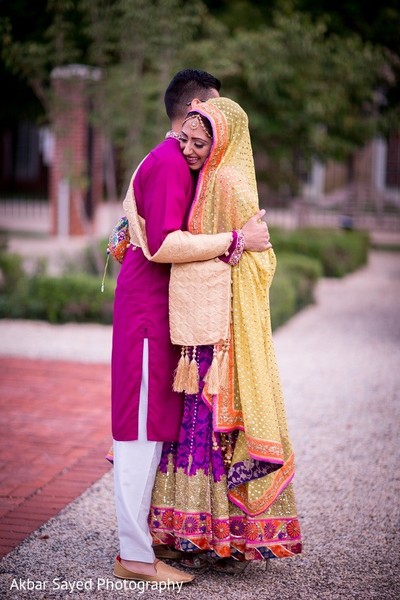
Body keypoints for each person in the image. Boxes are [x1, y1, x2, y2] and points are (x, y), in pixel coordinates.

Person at [111, 71, 271, 585]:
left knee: (153, 427)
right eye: (215, 109)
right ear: (198, 106)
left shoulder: (174, 161)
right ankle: (133, 555)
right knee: (138, 430)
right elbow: (161, 245)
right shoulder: (169, 164)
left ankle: (142, 544)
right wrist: (235, 239)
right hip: (145, 312)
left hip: (158, 311)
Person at [148, 98, 302, 571]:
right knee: (190, 429)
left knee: (216, 432)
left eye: (201, 142)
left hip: (224, 334)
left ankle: (229, 540)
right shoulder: (197, 179)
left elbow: (262, 258)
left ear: (223, 142)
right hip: (198, 328)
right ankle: (186, 532)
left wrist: (234, 253)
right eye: (187, 140)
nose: (191, 150)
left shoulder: (231, 184)